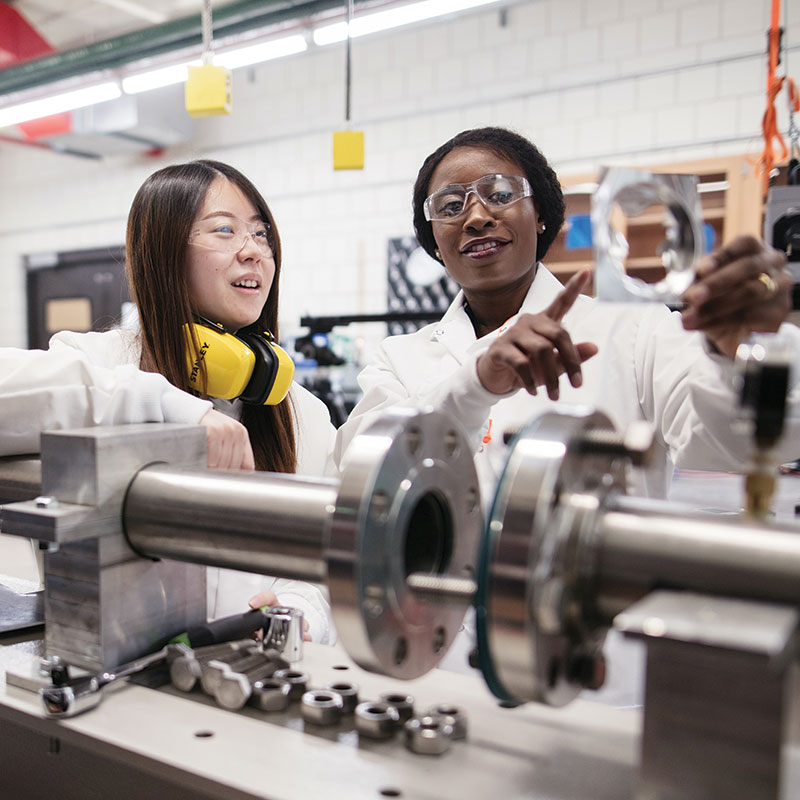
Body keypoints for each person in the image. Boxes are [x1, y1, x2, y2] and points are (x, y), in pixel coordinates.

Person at [334, 126, 799, 502]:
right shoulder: (399, 358)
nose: (475, 217)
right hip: (439, 611)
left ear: (540, 214)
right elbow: (358, 465)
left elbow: (740, 444)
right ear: (435, 241)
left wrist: (744, 353)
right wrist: (474, 383)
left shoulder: (634, 330)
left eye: (499, 194)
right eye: (451, 206)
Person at [0, 160, 336, 643]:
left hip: (252, 670)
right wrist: (163, 401)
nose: (254, 252)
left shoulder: (302, 413)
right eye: (225, 230)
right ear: (163, 254)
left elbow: (324, 555)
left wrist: (300, 610)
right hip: (113, 672)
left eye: (262, 235)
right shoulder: (99, 363)